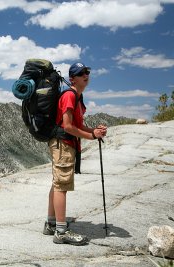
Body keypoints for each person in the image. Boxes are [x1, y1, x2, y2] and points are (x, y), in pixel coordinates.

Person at [42, 62, 107, 245]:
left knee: (57, 183)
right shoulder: (70, 96)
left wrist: (94, 132)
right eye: (81, 73)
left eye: (87, 72)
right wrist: (90, 135)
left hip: (64, 143)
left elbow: (77, 125)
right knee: (62, 185)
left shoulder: (78, 96)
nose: (86, 75)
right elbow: (68, 126)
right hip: (63, 143)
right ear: (73, 78)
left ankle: (51, 223)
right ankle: (61, 232)